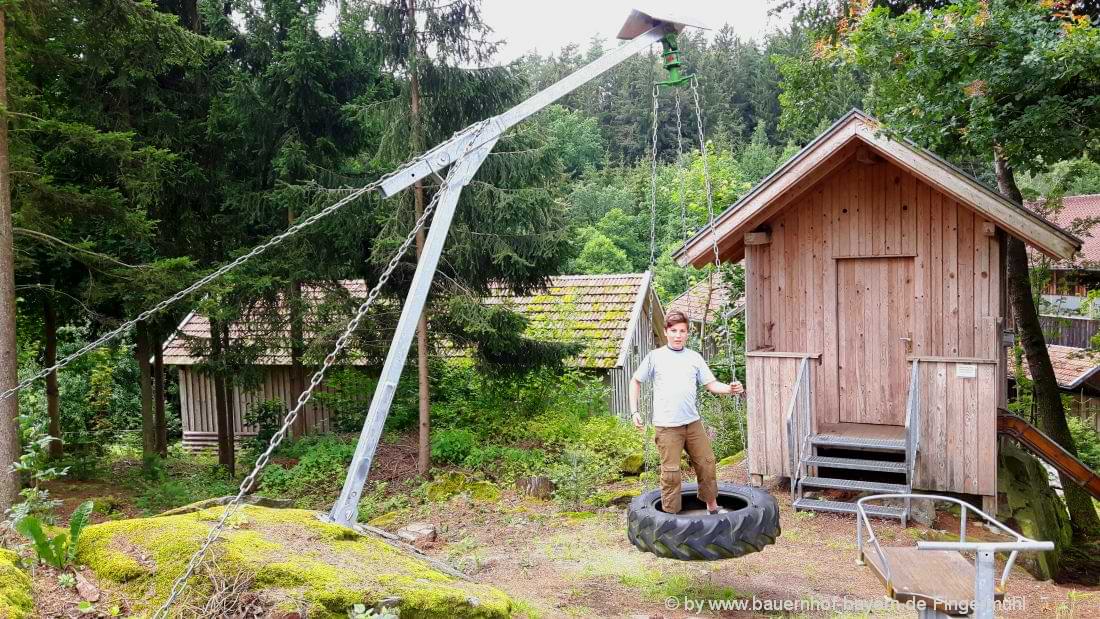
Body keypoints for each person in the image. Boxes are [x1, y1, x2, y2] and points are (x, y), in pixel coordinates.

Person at [629, 310, 744, 515]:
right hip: (667, 426)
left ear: (687, 333)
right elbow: (635, 381)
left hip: (692, 423)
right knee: (671, 473)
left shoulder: (694, 358)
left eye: (682, 331)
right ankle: (670, 518)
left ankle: (712, 508)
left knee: (707, 464)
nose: (678, 335)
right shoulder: (655, 357)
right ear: (666, 332)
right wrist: (634, 411)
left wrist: (730, 389)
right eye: (673, 331)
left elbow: (712, 384)